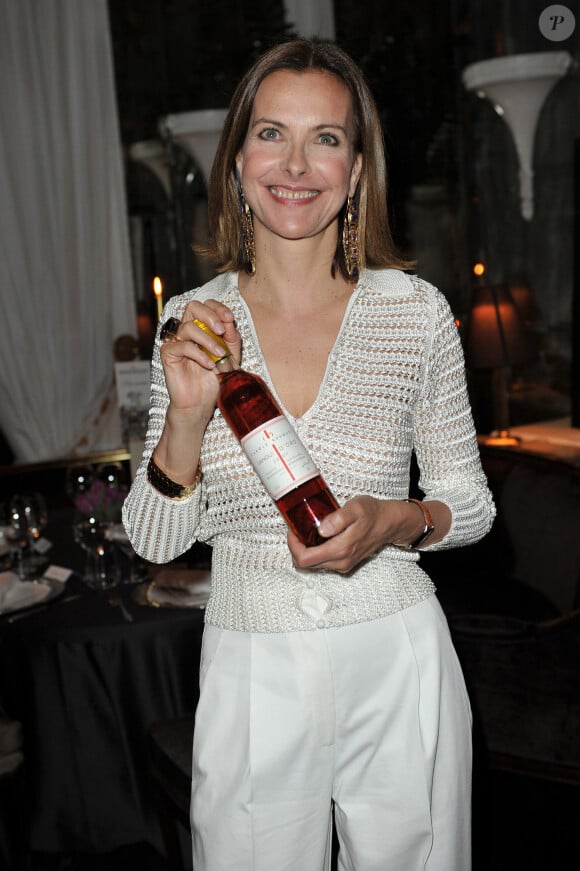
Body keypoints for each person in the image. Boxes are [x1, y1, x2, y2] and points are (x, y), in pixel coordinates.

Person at [123, 37, 495, 871]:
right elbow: (150, 541)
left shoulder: (415, 313)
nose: (296, 163)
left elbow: (469, 504)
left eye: (326, 137)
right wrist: (187, 417)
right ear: (237, 160)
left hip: (397, 652)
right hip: (252, 661)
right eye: (271, 134)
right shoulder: (195, 318)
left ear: (358, 169)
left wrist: (397, 519)